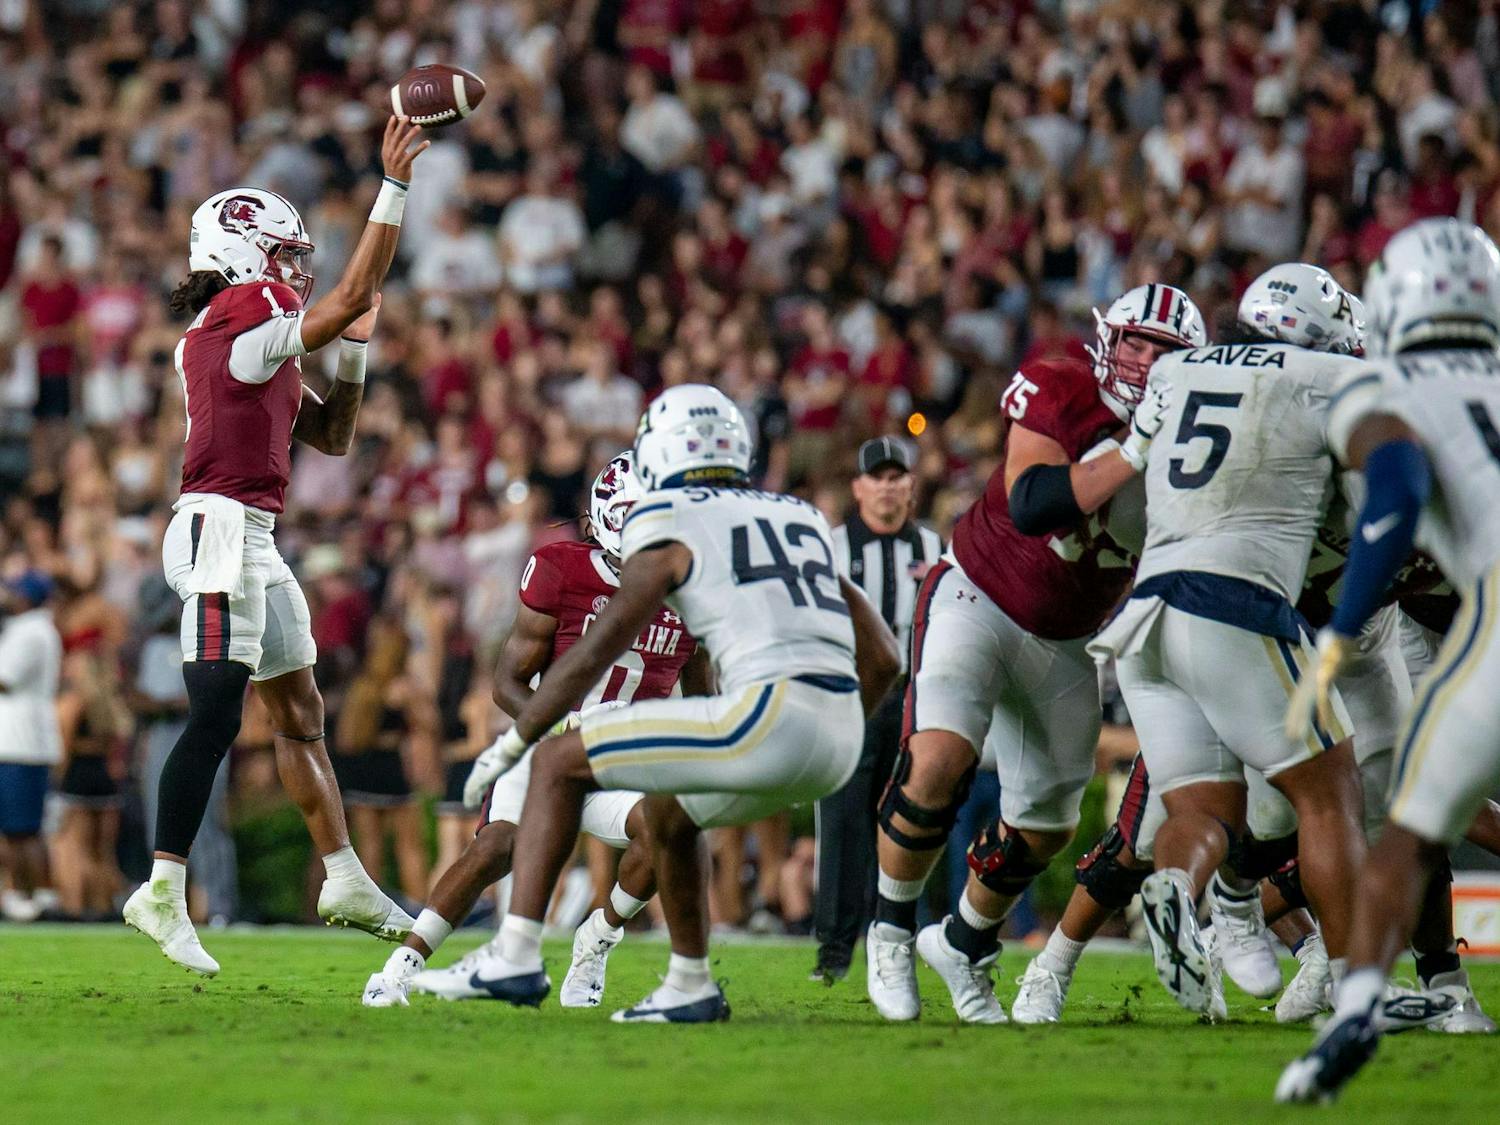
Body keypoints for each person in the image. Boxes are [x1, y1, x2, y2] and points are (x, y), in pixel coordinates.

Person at [456, 385, 901, 1022]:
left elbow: (597, 645)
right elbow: (884, 656)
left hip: (761, 714)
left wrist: (515, 737)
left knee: (556, 761)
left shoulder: (678, 519)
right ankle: (670, 973)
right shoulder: (796, 516)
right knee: (671, 813)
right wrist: (843, 735)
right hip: (834, 735)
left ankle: (517, 955)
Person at [1010, 266, 1367, 1024]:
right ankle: (1355, 984)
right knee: (1331, 791)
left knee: (1202, 811)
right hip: (1235, 602)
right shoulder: (1327, 375)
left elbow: (1131, 462)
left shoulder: (1176, 371)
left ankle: (1176, 886)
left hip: (1147, 619)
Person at [122, 116, 430, 977]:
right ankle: (159, 889)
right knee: (218, 711)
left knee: (299, 713)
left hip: (252, 531)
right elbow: (345, 294)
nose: (296, 270)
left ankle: (343, 877)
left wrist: (358, 344)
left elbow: (330, 434)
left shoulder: (254, 329)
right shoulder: (240, 310)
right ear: (245, 254)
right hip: (216, 526)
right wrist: (394, 186)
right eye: (285, 254)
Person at [867, 285, 1205, 1025]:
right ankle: (890, 931)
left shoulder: (1199, 440)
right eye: (1135, 344)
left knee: (1047, 824)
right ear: (1107, 340)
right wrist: (1132, 449)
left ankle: (961, 938)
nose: (1145, 362)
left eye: (1165, 351)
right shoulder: (1059, 384)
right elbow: (1035, 502)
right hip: (979, 596)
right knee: (937, 760)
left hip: (1070, 637)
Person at [1278, 219, 1500, 1101]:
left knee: (1406, 828)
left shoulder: (1384, 380)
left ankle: (1356, 1012)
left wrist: (1341, 626)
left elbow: (1399, 491)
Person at [361, 452, 705, 1008]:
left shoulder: (689, 593)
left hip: (625, 756)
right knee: (496, 846)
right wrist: (559, 724)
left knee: (669, 829)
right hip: (552, 744)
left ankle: (597, 939)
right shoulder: (562, 569)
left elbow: (705, 695)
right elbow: (507, 683)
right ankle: (401, 965)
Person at [811, 436, 941, 983]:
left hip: (915, 698)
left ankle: (904, 935)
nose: (888, 486)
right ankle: (835, 950)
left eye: (896, 476)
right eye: (878, 477)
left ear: (910, 486)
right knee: (843, 820)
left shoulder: (934, 548)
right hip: (850, 695)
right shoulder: (833, 546)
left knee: (913, 818)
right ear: (858, 487)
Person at [0, 572, 63, 923]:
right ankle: (26, 894)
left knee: (22, 828)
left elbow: (5, 679)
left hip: (22, 742)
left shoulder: (32, 631)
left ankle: (36, 895)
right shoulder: (25, 628)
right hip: (15, 741)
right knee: (17, 827)